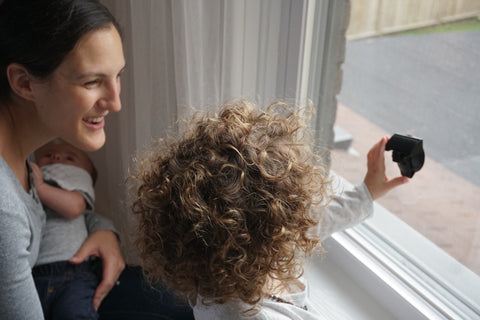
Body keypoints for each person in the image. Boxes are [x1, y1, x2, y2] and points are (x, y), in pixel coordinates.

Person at [131, 100, 408, 319]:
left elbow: (316, 220)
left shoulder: (216, 260)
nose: (302, 220)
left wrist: (368, 193)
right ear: (275, 233)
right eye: (294, 212)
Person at [0, 0, 125, 318]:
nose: (115, 102)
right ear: (24, 83)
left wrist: (104, 230)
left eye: (117, 76)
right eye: (92, 82)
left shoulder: (24, 149)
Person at [30, 140, 103, 319]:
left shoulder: (76, 193)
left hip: (71, 272)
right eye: (47, 155)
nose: (55, 157)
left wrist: (40, 187)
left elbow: (74, 208)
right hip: (34, 276)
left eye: (70, 158)